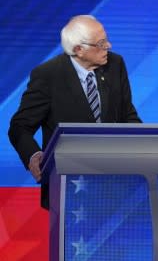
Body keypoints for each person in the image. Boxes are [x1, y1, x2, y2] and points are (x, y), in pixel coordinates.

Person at [8, 15, 142, 209]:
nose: (109, 46)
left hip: (115, 183)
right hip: (69, 185)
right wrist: (34, 155)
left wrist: (142, 146)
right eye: (101, 43)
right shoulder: (48, 76)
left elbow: (127, 114)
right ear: (79, 49)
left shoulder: (115, 65)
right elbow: (20, 127)